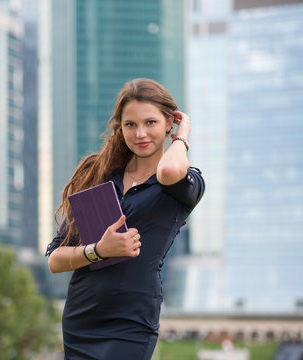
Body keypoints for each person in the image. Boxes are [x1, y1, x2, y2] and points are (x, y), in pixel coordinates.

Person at [46, 78, 205, 359]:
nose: (140, 133)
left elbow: (167, 172)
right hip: (81, 319)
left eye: (151, 123)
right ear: (121, 127)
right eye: (130, 124)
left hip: (131, 323)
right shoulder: (98, 177)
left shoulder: (184, 181)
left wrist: (182, 136)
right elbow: (55, 259)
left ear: (170, 122)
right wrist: (98, 251)